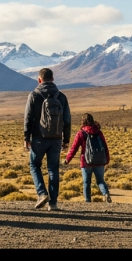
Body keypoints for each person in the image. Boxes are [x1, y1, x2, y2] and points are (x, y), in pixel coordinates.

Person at [24, 68, 71, 211]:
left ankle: (42, 193)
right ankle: (53, 203)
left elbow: (28, 118)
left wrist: (26, 137)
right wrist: (66, 139)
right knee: (53, 169)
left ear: (39, 80)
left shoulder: (34, 95)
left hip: (38, 138)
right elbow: (67, 120)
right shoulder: (61, 97)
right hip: (56, 138)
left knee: (34, 166)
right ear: (53, 79)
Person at [64, 113, 111, 203]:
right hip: (100, 161)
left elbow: (74, 148)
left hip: (86, 161)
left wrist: (67, 159)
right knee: (100, 181)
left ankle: (87, 201)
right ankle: (106, 194)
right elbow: (105, 146)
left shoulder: (81, 133)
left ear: (83, 121)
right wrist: (107, 159)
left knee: (86, 182)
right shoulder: (98, 132)